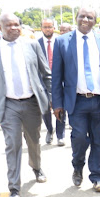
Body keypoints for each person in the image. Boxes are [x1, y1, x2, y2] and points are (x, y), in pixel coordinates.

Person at [52, 7, 100, 192]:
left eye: (90, 17)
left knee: (98, 139)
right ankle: (78, 166)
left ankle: (97, 177)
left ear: (95, 21)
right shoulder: (62, 42)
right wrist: (57, 103)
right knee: (79, 138)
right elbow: (56, 76)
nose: (85, 19)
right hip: (77, 101)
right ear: (76, 18)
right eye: (82, 16)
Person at [0, 13, 51, 197]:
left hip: (31, 102)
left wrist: (51, 98)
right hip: (8, 104)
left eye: (16, 25)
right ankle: (14, 187)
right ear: (0, 29)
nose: (14, 28)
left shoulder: (32, 45)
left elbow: (46, 74)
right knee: (13, 144)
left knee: (34, 141)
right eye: (9, 26)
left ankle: (36, 167)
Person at [39, 18, 66, 146]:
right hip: (43, 81)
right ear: (41, 28)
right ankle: (50, 130)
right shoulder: (36, 44)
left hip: (60, 79)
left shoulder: (60, 41)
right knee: (45, 109)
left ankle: (60, 135)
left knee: (61, 107)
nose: (48, 29)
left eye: (50, 27)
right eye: (45, 27)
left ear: (54, 27)